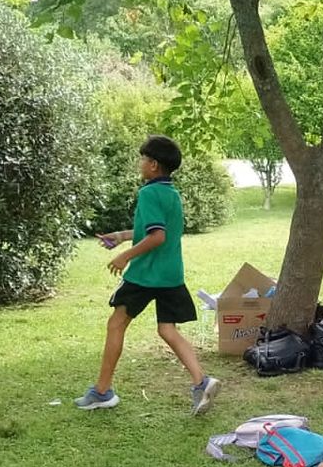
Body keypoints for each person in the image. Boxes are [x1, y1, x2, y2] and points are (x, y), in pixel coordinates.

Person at [76, 135, 220, 415]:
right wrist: (120, 237)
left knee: (116, 324)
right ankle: (201, 382)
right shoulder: (171, 194)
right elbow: (153, 232)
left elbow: (157, 237)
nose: (140, 163)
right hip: (170, 275)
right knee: (167, 329)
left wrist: (124, 256)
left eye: (143, 159)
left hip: (145, 275)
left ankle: (102, 392)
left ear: (153, 165)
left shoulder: (148, 193)